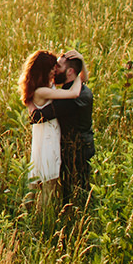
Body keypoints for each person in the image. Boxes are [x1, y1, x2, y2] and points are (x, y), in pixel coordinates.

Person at [17, 50, 83, 199]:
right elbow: (74, 93)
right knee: (49, 179)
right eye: (52, 68)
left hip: (44, 136)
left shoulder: (45, 87)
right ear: (44, 70)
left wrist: (80, 62)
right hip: (48, 138)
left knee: (38, 177)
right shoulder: (42, 91)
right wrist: (77, 76)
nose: (55, 70)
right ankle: (42, 214)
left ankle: (30, 210)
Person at [50, 50, 94, 204]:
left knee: (75, 190)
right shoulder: (79, 88)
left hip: (76, 149)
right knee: (79, 187)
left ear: (70, 72)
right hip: (82, 145)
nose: (55, 69)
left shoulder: (72, 98)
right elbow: (82, 78)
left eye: (58, 66)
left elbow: (42, 115)